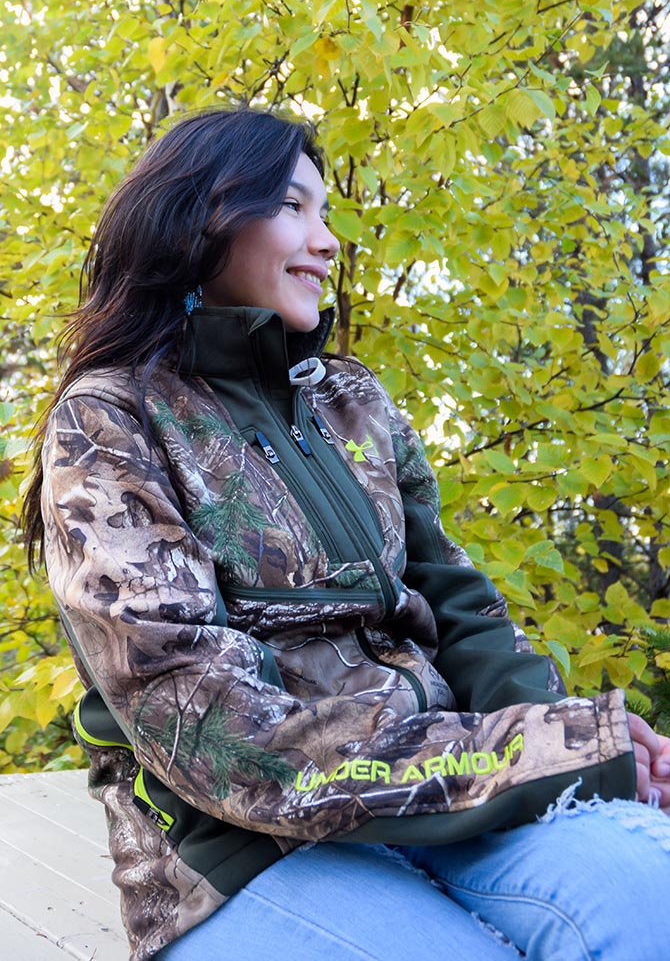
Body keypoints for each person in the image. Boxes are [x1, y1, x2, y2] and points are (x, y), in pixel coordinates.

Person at [24, 108, 670, 961]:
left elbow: (460, 609)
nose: (326, 241)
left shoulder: (351, 400)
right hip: (236, 852)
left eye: (326, 214)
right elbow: (224, 735)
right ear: (201, 217)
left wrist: (575, 739)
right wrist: (547, 751)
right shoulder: (109, 422)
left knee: (646, 896)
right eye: (294, 207)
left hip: (442, 791)